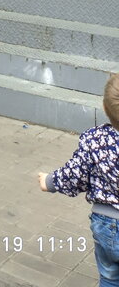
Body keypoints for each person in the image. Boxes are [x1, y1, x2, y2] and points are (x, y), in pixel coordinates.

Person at [38, 73, 119, 286]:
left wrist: (50, 181)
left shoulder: (95, 140)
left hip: (107, 224)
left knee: (110, 277)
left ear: (104, 107)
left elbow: (74, 175)